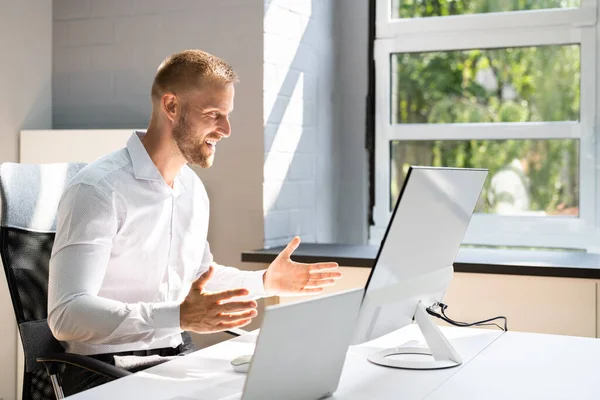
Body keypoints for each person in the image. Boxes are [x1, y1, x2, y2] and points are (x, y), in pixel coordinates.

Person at [47, 49, 342, 395]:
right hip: (104, 371)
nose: (227, 130)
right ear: (171, 107)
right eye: (214, 114)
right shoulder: (98, 189)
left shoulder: (192, 189)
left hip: (176, 361)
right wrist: (177, 317)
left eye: (227, 115)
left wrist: (265, 281)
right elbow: (67, 315)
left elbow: (200, 279)